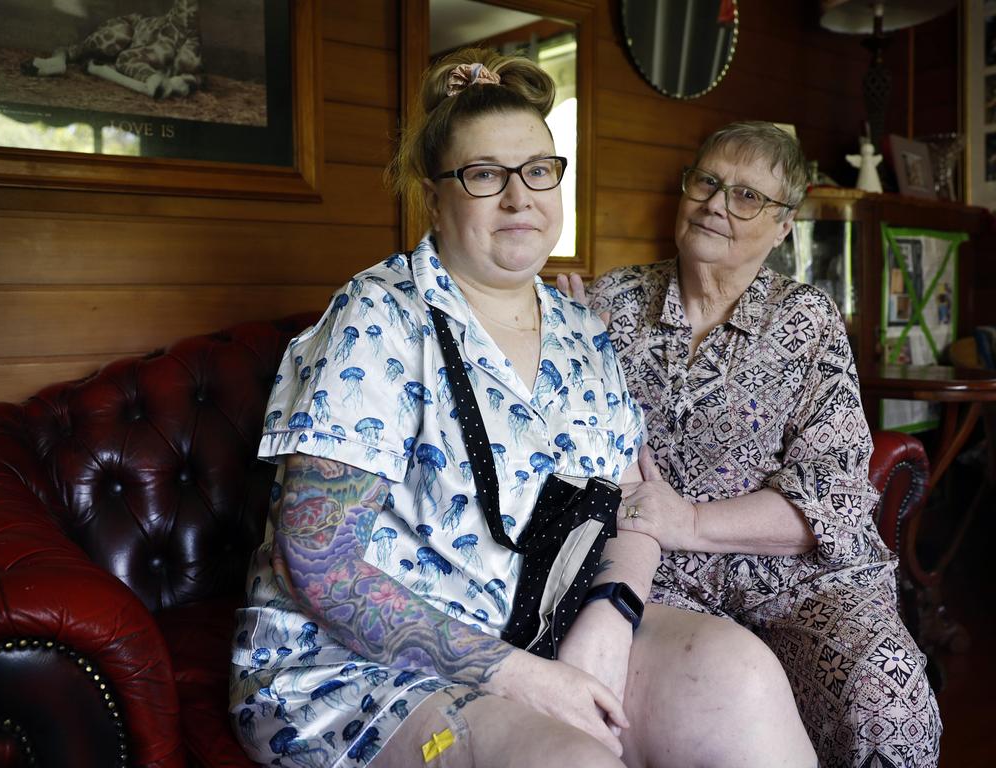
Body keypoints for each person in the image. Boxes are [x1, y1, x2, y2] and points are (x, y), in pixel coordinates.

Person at [230, 51, 817, 768]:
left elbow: (630, 498)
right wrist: (529, 681)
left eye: (539, 170)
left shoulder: (581, 333)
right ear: (432, 195)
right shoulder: (377, 319)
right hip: (359, 669)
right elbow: (317, 565)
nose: (520, 199)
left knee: (741, 674)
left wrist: (613, 612)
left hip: (537, 626)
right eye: (485, 175)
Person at [559, 120, 941, 768]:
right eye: (706, 181)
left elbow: (833, 494)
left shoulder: (806, 319)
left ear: (783, 225)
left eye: (746, 195)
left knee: (888, 696)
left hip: (801, 579)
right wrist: (561, 354)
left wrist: (693, 521)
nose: (715, 203)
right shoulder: (612, 304)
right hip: (660, 578)